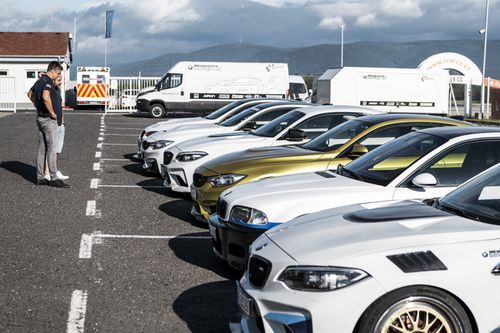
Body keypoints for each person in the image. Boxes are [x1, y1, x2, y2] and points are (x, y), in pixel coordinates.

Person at [28, 61, 70, 188]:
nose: (58, 75)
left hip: (40, 118)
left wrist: (37, 105)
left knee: (42, 149)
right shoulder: (47, 82)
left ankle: (40, 177)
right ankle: (53, 178)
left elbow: (30, 94)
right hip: (48, 120)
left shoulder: (39, 82)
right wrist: (52, 113)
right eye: (58, 73)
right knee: (52, 149)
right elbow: (46, 97)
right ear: (52, 71)